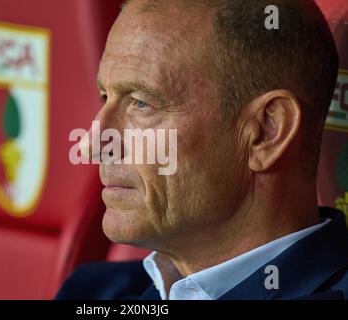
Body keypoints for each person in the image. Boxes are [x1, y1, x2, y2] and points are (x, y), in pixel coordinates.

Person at [57, 0, 348, 300]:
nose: (91, 145)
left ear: (266, 132)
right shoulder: (93, 292)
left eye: (142, 103)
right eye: (105, 95)